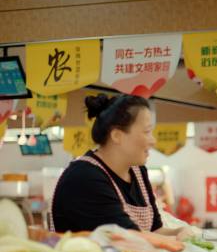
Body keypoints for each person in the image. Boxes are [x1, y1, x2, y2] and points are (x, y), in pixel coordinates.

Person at [51, 94, 192, 241]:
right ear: (117, 135)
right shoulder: (84, 177)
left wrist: (181, 232)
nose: (153, 141)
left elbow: (155, 230)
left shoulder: (137, 171)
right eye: (147, 132)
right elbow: (127, 238)